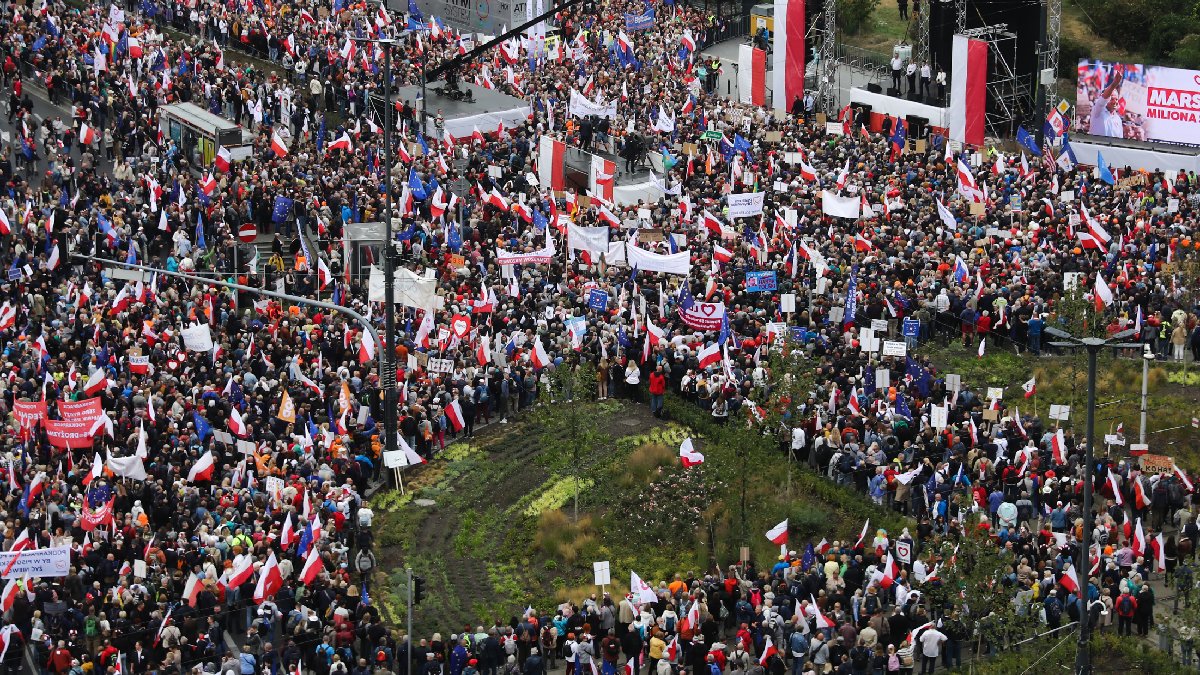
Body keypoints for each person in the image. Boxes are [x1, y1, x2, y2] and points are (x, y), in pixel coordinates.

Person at [1088, 67, 1125, 138]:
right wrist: (1114, 84)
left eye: (1116, 99)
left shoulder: (1118, 119)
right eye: (1112, 99)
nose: (1115, 102)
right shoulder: (1098, 111)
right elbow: (1104, 98)